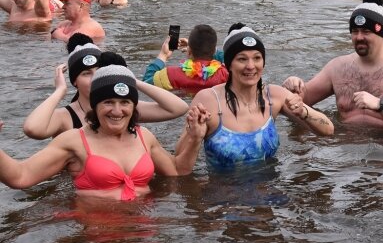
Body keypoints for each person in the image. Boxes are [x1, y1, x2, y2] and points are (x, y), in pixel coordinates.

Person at [0, 65, 208, 201]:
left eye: (125, 102)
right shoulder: (75, 141)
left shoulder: (144, 136)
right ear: (95, 105)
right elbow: (21, 176)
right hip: (98, 233)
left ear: (133, 106)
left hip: (142, 228)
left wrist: (195, 138)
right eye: (108, 102)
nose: (117, 111)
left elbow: (177, 170)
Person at [177, 24, 333, 171]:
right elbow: (178, 161)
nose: (251, 66)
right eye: (242, 59)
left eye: (257, 58)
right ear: (229, 64)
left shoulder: (274, 96)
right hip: (223, 195)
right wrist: (195, 137)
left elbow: (328, 130)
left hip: (270, 192)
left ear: (263, 62)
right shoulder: (208, 100)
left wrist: (304, 113)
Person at [283, 0, 383, 129]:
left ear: (381, 34)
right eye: (354, 31)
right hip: (344, 146)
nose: (359, 37)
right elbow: (302, 100)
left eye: (366, 31)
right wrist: (293, 86)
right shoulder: (337, 67)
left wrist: (381, 105)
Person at [24, 35, 190, 139]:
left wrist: (130, 79)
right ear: (74, 81)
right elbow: (32, 129)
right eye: (86, 73)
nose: (95, 77)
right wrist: (59, 91)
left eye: (99, 71)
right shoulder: (65, 117)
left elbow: (178, 108)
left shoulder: (121, 109)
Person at [143, 24, 228, 92]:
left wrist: (163, 55)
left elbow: (145, 86)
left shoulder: (170, 75)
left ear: (189, 51)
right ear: (214, 51)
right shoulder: (225, 75)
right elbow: (230, 58)